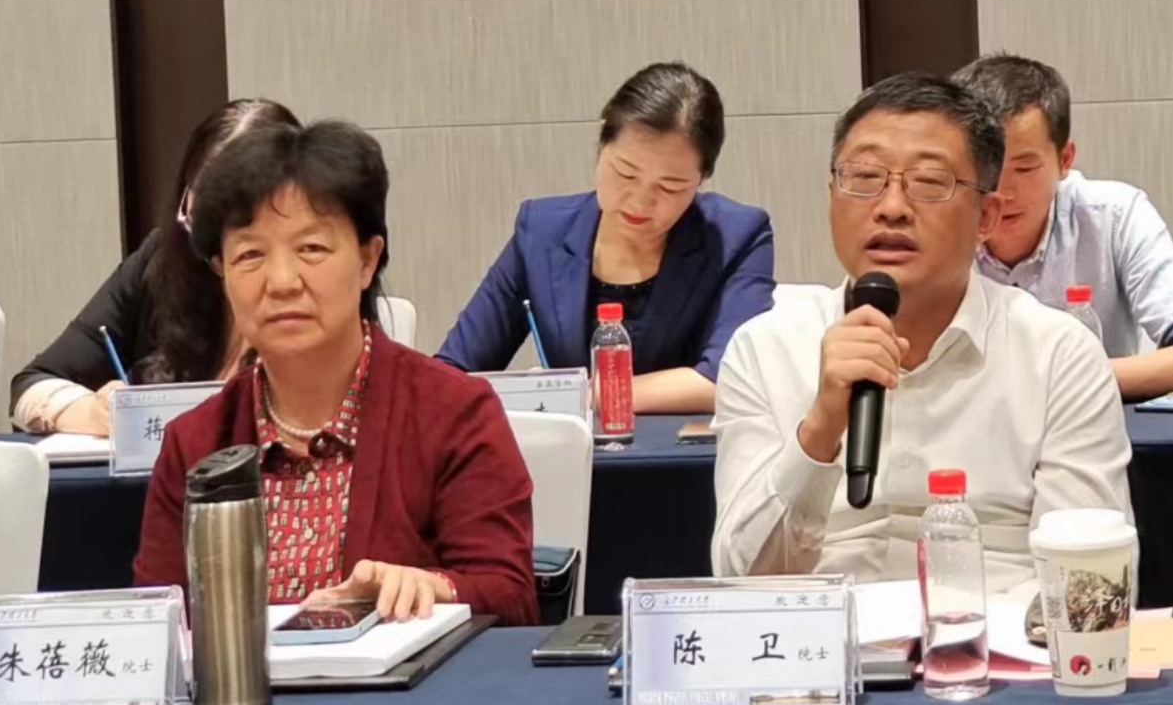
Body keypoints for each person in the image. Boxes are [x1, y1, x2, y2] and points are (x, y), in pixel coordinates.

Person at [711, 72, 1132, 594]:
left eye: (930, 183)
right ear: (831, 195)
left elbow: (1089, 581)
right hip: (823, 639)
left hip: (997, 638)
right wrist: (819, 430)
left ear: (986, 216)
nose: (891, 207)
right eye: (864, 177)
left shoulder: (1059, 355)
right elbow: (741, 583)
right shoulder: (763, 349)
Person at [133, 119, 538, 626]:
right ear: (223, 273)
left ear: (368, 260)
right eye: (251, 255)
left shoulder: (454, 413)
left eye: (312, 249)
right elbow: (158, 623)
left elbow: (512, 598)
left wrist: (431, 587)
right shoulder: (193, 444)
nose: (282, 281)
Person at [436, 62, 775, 414]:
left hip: (688, 448)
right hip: (573, 449)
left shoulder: (738, 237)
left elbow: (730, 378)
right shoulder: (541, 232)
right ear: (601, 144)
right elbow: (450, 372)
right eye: (625, 174)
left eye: (670, 187)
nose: (640, 202)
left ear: (702, 178)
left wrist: (578, 393)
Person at [10, 99, 300, 436]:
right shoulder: (163, 260)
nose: (219, 238)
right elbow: (31, 385)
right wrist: (94, 413)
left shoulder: (306, 286)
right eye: (204, 209)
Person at [953, 53, 1173, 400]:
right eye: (985, 169)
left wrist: (1063, 382)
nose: (1002, 193)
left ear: (1064, 159)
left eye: (1024, 168)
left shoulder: (1116, 215)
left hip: (1101, 420)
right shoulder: (938, 226)